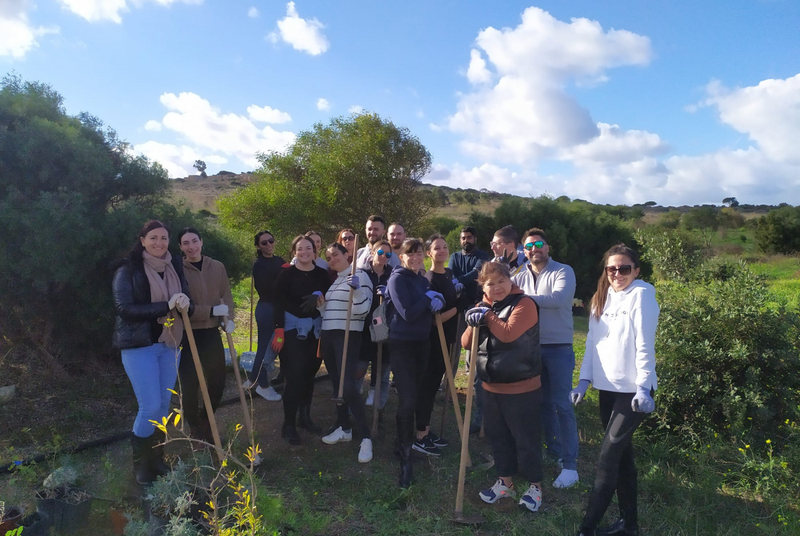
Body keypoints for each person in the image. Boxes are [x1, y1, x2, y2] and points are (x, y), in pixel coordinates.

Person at [571, 244, 659, 536]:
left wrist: (644, 388)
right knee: (622, 458)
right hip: (607, 389)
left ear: (637, 270)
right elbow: (593, 343)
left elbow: (645, 345)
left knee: (606, 459)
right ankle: (629, 526)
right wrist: (584, 381)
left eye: (624, 268)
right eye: (612, 269)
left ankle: (586, 528)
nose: (617, 274)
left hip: (633, 394)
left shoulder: (642, 295)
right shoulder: (603, 297)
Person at [112, 220, 192, 484]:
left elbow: (184, 301)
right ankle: (141, 465)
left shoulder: (173, 267)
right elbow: (124, 309)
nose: (159, 243)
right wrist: (164, 306)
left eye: (164, 238)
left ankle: (157, 458)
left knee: (164, 405)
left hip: (168, 344)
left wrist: (184, 302)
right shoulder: (128, 269)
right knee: (150, 407)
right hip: (140, 346)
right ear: (143, 240)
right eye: (154, 238)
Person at [461, 261, 544, 513]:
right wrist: (472, 319)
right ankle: (505, 482)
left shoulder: (525, 304)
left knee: (526, 439)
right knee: (499, 438)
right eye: (490, 283)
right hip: (491, 387)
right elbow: (466, 343)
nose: (496, 287)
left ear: (510, 281)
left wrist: (487, 316)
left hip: (522, 387)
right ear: (483, 286)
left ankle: (535, 487)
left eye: (501, 281)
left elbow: (508, 334)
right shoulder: (483, 307)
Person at [512, 228, 580, 488]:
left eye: (538, 244)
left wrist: (521, 298)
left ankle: (570, 464)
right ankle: (554, 451)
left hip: (559, 348)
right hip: (531, 347)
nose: (533, 249)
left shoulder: (564, 270)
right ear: (524, 251)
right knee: (541, 403)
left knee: (562, 404)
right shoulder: (520, 274)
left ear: (547, 247)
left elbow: (558, 299)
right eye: (528, 247)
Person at [386, 238, 445, 487]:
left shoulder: (422, 280)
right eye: (410, 254)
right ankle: (404, 455)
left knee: (418, 395)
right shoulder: (397, 278)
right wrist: (427, 298)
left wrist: (436, 303)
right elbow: (407, 313)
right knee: (407, 399)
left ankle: (406, 445)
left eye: (419, 253)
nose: (416, 257)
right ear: (402, 257)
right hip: (402, 345)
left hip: (423, 345)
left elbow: (422, 311)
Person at [318, 243, 375, 463]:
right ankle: (344, 428)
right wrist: (322, 305)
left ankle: (366, 437)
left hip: (347, 335)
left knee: (348, 386)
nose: (332, 259)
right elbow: (329, 313)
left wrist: (357, 289)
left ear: (346, 255)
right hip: (329, 335)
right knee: (336, 384)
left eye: (335, 255)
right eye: (328, 257)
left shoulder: (360, 276)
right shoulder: (336, 282)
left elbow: (362, 311)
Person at [177, 227, 235, 445]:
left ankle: (205, 420)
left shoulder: (217, 266)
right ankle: (194, 426)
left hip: (211, 331)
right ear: (181, 247)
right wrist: (209, 311)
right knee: (189, 382)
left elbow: (225, 295)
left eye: (194, 241)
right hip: (187, 332)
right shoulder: (178, 270)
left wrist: (227, 319)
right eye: (185, 243)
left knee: (218, 379)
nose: (191, 246)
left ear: (201, 242)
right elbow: (185, 305)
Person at [272, 235, 332, 444]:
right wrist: (279, 331)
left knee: (309, 374)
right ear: (294, 252)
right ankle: (288, 424)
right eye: (300, 248)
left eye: (309, 248)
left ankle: (304, 418)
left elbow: (328, 295)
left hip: (315, 331)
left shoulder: (322, 275)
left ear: (315, 251)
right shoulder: (286, 274)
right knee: (294, 376)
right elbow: (277, 303)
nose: (305, 251)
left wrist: (318, 295)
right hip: (292, 330)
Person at [413, 234, 460, 456]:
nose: (442, 251)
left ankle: (426, 430)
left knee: (432, 388)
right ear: (429, 253)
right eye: (436, 248)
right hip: (433, 342)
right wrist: (458, 307)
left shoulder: (448, 275)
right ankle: (419, 435)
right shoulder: (431, 279)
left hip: (447, 340)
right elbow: (436, 319)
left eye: (445, 247)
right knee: (427, 387)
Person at [447, 226, 489, 434]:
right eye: (463, 238)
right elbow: (450, 273)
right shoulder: (455, 256)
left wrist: (457, 281)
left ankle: (475, 394)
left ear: (475, 238)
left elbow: (476, 274)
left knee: (473, 354)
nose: (466, 241)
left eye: (469, 237)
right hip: (458, 308)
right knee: (453, 348)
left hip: (476, 309)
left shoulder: (482, 256)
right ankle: (447, 389)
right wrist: (453, 281)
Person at [244, 230, 284, 401]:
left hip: (276, 307)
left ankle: (252, 379)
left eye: (270, 240)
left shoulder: (279, 260)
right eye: (264, 243)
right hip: (267, 308)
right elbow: (267, 288)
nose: (268, 245)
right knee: (266, 347)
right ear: (258, 246)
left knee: (264, 345)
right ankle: (263, 385)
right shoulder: (259, 265)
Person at [357, 240, 394, 411]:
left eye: (388, 254)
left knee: (382, 373)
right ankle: (353, 408)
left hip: (385, 329)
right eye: (380, 252)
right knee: (359, 369)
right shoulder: (362, 273)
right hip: (364, 328)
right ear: (372, 253)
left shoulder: (393, 275)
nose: (384, 257)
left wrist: (390, 294)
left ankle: (377, 411)